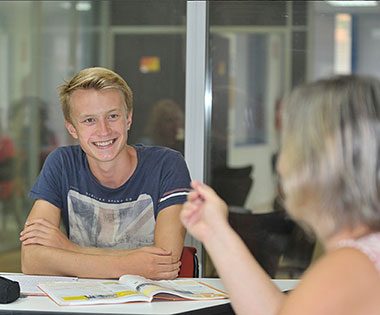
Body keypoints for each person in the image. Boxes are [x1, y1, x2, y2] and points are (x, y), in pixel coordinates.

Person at [181, 75, 380, 315]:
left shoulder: (346, 270)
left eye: (289, 147)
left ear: (318, 164)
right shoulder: (362, 259)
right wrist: (215, 232)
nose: (281, 166)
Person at [20, 67, 192, 280]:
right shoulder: (62, 163)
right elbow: (31, 260)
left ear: (128, 118)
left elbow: (165, 263)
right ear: (72, 129)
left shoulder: (167, 165)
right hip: (79, 303)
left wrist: (68, 249)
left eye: (112, 116)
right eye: (89, 120)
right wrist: (134, 263)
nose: (103, 130)